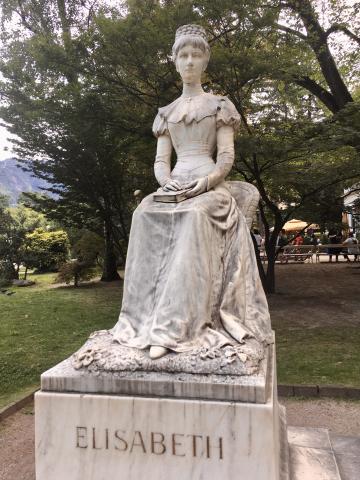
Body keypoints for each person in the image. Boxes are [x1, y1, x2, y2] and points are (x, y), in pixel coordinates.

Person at [111, 24, 272, 359]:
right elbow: (161, 161)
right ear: (174, 61)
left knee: (196, 216)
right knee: (143, 213)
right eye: (183, 55)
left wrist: (207, 182)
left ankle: (174, 326)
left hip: (209, 187)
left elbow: (226, 156)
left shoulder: (219, 105)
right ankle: (140, 321)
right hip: (176, 183)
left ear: (204, 62)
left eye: (195, 55)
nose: (189, 62)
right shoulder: (166, 113)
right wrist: (165, 181)